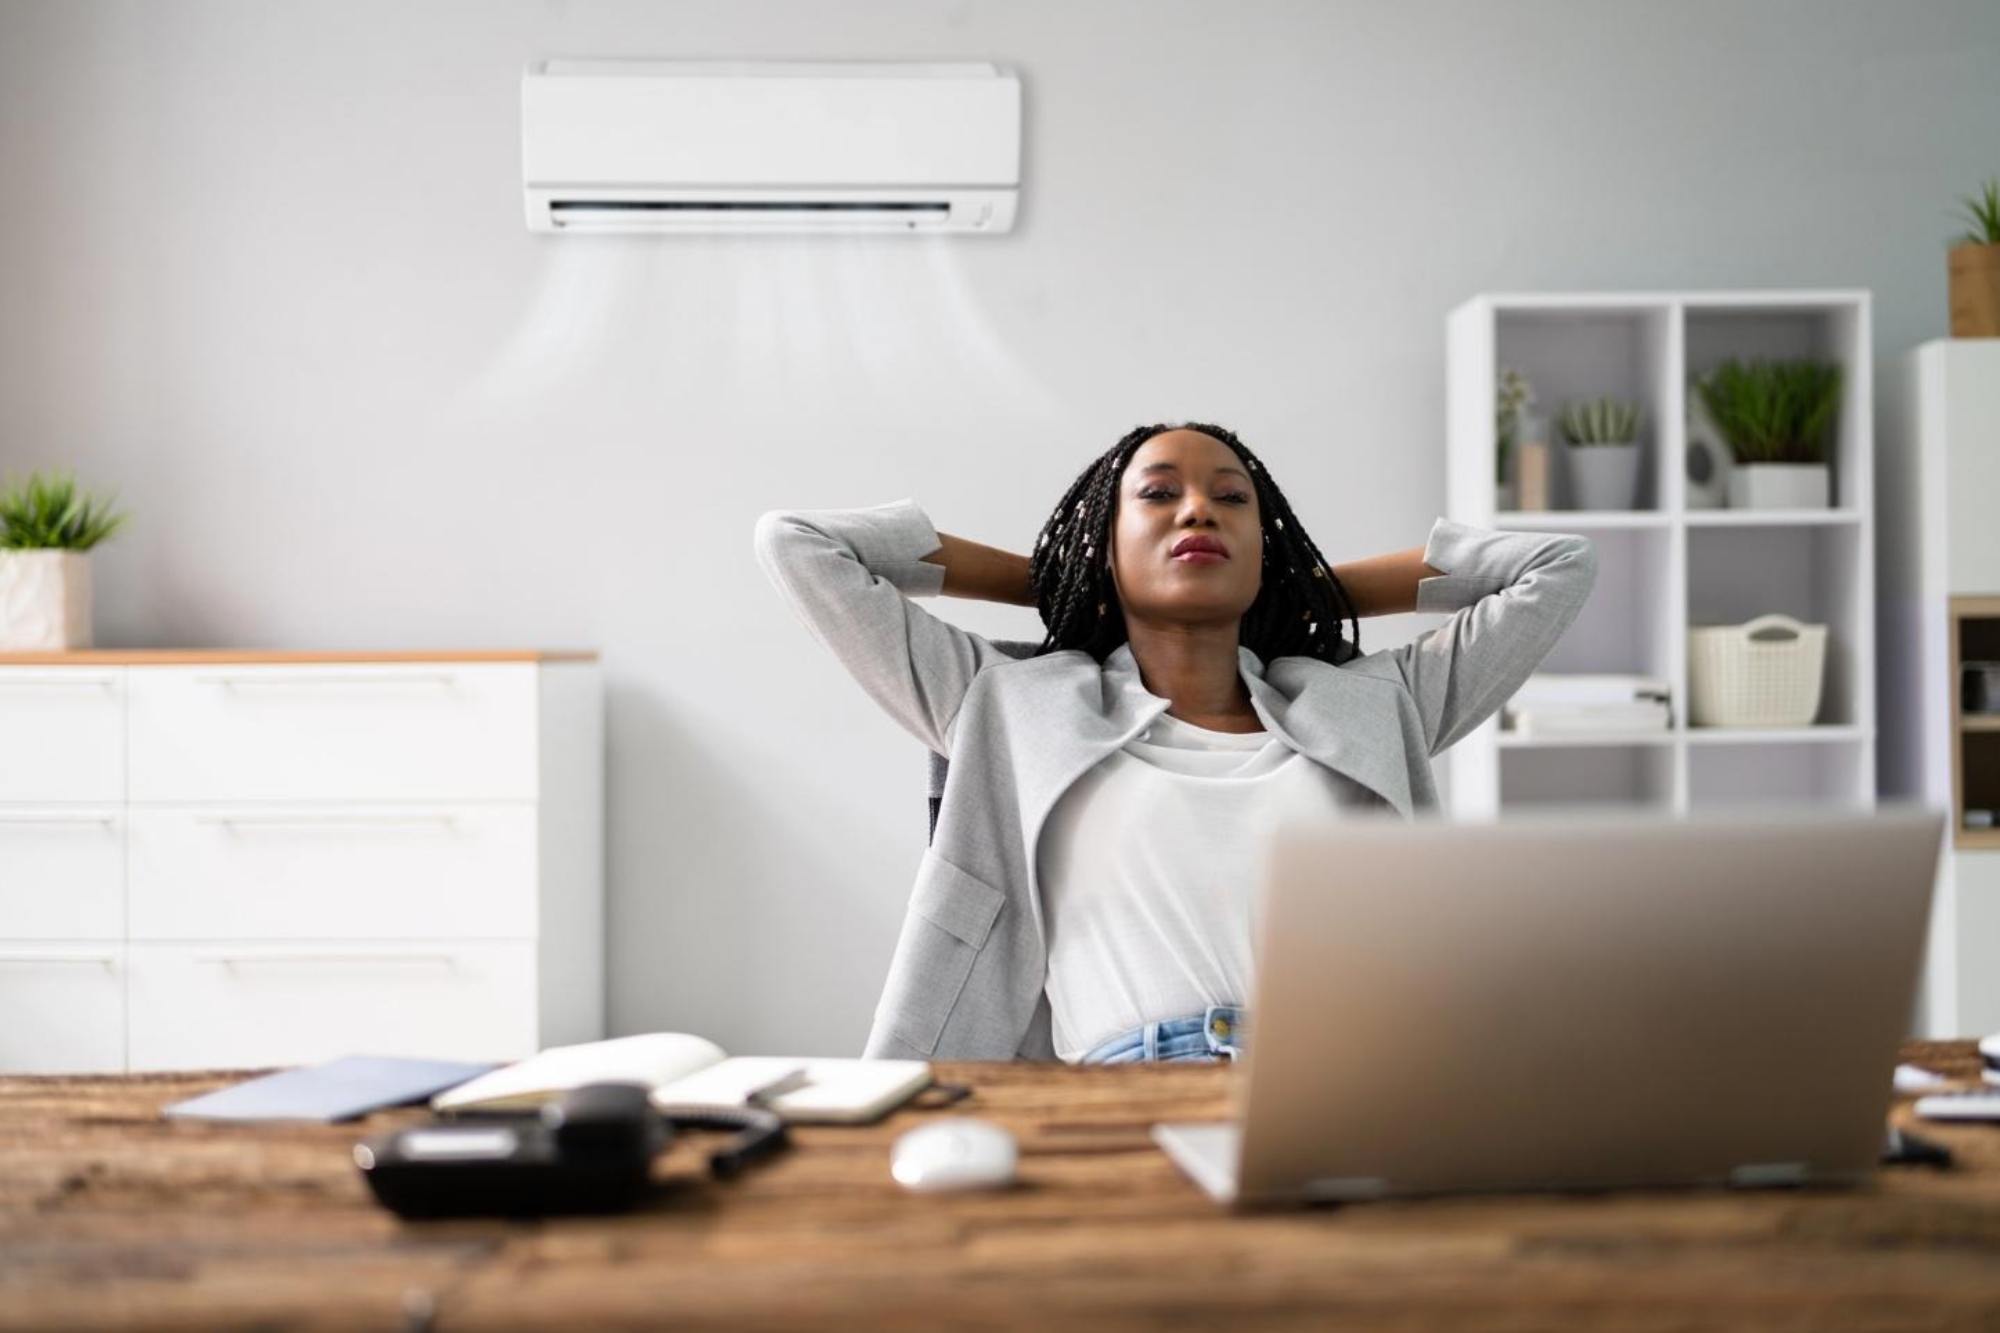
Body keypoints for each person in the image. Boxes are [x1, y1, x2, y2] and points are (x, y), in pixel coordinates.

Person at [754, 422, 1597, 1063]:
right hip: (1117, 1097)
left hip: (1349, 1083)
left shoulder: (1378, 706)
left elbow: (1556, 565)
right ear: (1104, 539)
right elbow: (800, 544)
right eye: (1158, 495)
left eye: (1233, 500)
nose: (1199, 507)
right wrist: (1061, 578)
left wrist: (1299, 586)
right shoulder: (1004, 705)